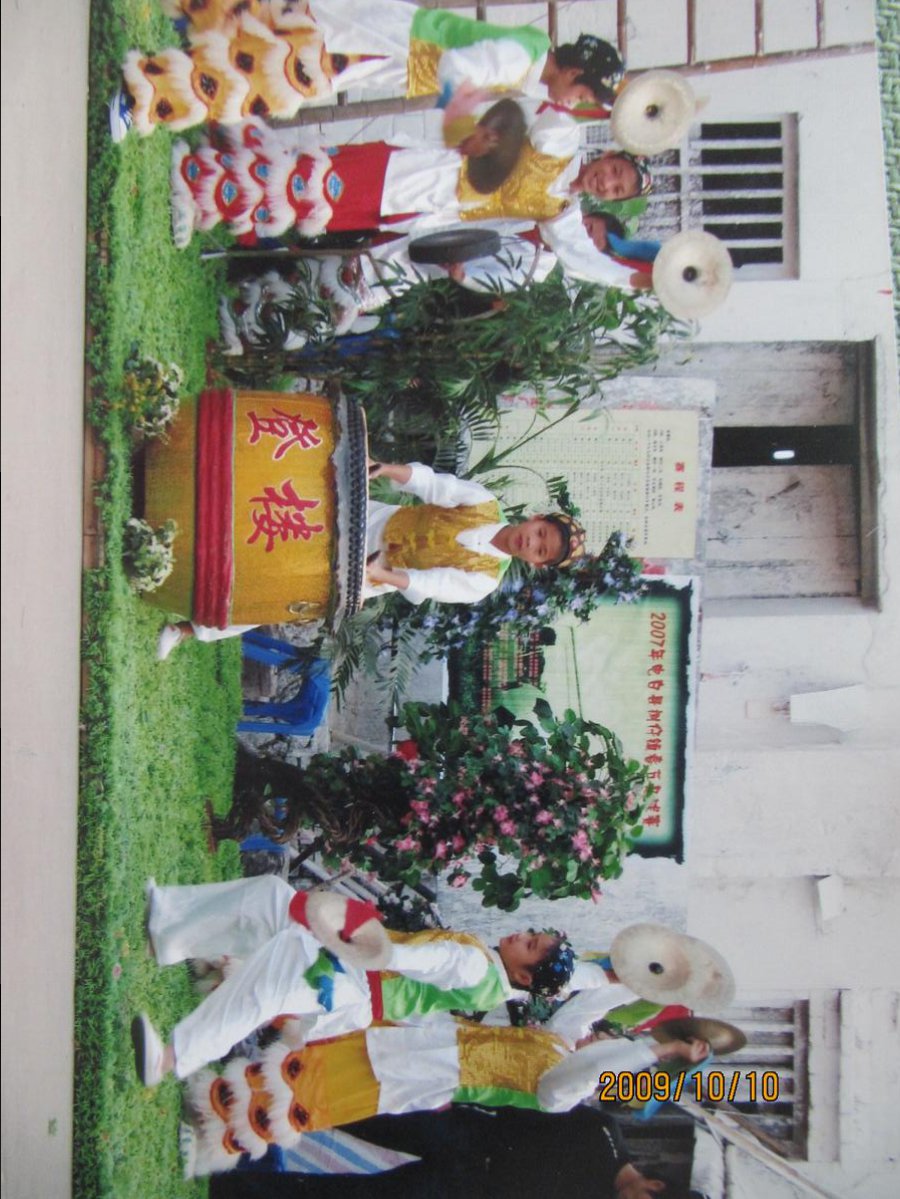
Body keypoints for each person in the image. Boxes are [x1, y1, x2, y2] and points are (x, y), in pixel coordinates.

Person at [131, 875, 576, 1086]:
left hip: (356, 980)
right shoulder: (489, 978)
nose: (521, 935)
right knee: (271, 897)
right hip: (357, 976)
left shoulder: (478, 967)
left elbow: (422, 960)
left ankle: (169, 1059)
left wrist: (365, 944)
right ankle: (168, 926)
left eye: (530, 945)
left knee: (268, 983)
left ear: (523, 974)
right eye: (531, 933)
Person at [181, 1015, 709, 1177]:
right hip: (425, 1045)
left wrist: (656, 1052)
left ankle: (221, 1136)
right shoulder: (557, 1042)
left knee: (319, 1099)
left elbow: (590, 1069)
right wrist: (647, 983)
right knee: (317, 1068)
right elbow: (588, 1009)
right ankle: (219, 1101)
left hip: (427, 1076)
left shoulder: (562, 1093)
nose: (596, 1038)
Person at [155, 461, 586, 658]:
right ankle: (196, 520)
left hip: (377, 571)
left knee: (285, 594)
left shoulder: (485, 580)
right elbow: (433, 485)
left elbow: (429, 585)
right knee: (289, 515)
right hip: (375, 518)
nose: (532, 542)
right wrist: (385, 469)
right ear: (536, 518)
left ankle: (187, 628)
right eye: (540, 534)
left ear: (536, 563)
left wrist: (380, 573)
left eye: (540, 550)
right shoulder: (484, 502)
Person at [110, 0, 624, 140]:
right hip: (380, 47)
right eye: (583, 93)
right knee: (275, 79)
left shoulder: (530, 58)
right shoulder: (522, 58)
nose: (576, 102)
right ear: (573, 71)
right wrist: (461, 121)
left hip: (383, 42)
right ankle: (144, 96)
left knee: (265, 27)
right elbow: (457, 63)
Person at [170, 103, 594, 249]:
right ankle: (196, 180)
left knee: (310, 205)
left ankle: (213, 186)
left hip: (412, 207)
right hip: (405, 172)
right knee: (308, 184)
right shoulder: (558, 147)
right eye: (614, 172)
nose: (606, 183)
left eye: (617, 189)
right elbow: (552, 112)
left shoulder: (561, 210)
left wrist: (628, 277)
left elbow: (578, 253)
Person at [208, 1107, 686, 1198]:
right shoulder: (601, 1130)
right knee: (348, 1109)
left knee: (355, 1198)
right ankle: (235, 1103)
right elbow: (531, 1102)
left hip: (464, 1191)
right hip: (466, 1133)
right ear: (655, 1185)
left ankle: (229, 1188)